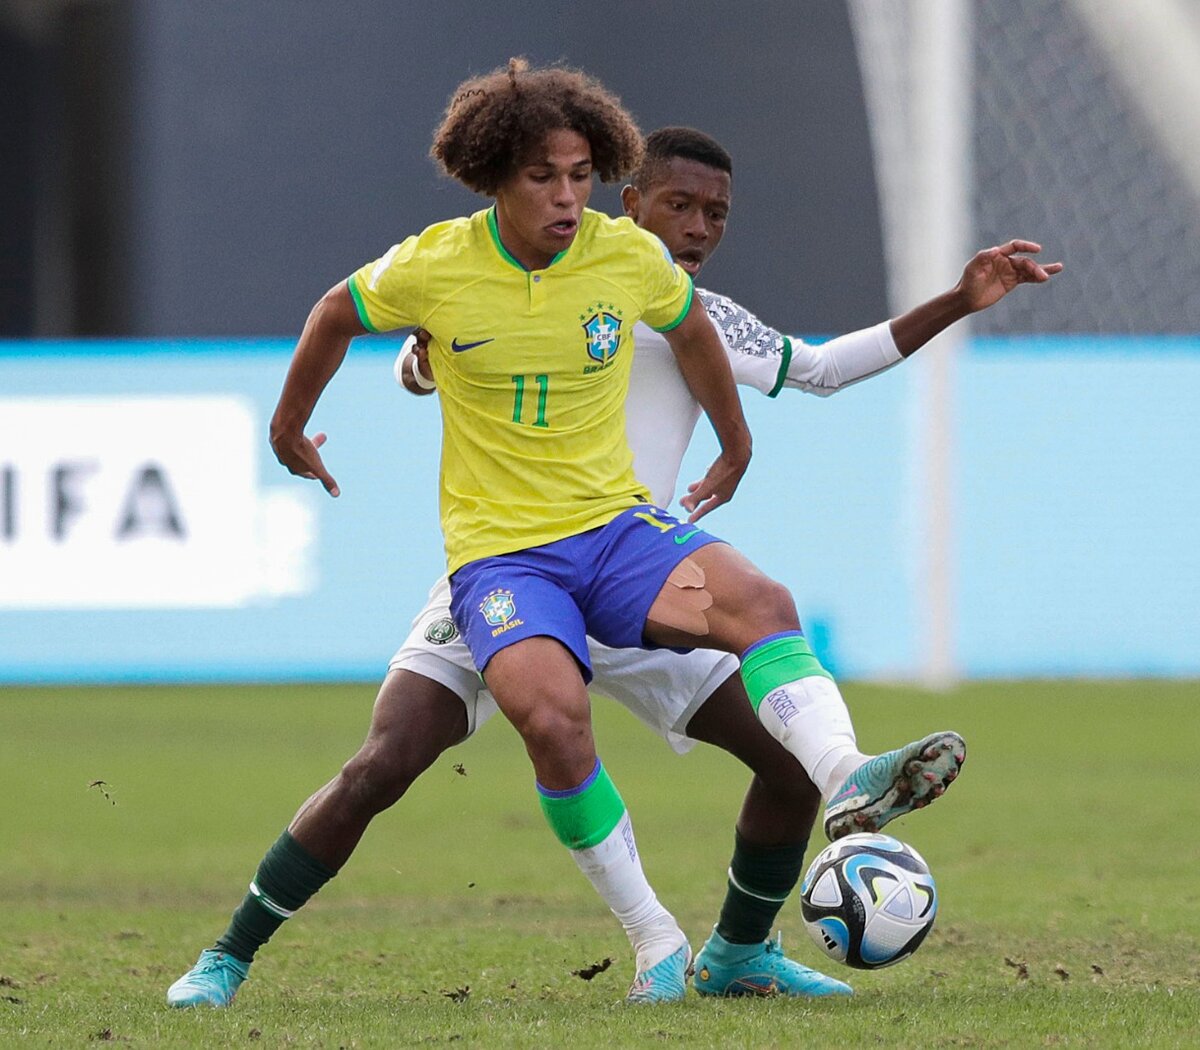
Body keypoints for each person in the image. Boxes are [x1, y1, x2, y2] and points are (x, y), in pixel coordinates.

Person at [165, 67, 1050, 1008]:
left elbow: (823, 368)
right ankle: (229, 952)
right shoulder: (469, 266)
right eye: (682, 205)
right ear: (637, 201)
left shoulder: (673, 296)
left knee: (787, 750)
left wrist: (951, 304)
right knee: (385, 764)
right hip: (506, 568)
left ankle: (745, 941)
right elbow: (408, 337)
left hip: (630, 566)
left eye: (717, 213)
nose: (702, 226)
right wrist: (398, 374)